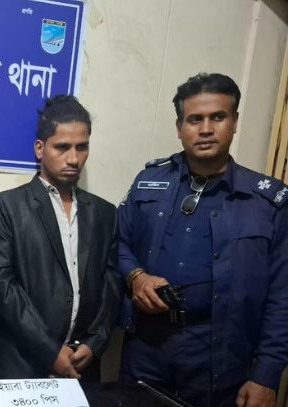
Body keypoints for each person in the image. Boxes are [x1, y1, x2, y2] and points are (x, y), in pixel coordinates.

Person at [118, 72, 288, 407]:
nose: (206, 129)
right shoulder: (149, 181)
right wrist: (136, 277)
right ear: (179, 127)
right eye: (195, 119)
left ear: (234, 122)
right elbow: (118, 243)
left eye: (218, 117)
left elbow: (283, 295)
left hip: (221, 356)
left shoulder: (268, 202)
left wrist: (266, 375)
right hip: (146, 347)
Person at [0, 95, 121, 381]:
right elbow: (1, 286)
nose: (73, 158)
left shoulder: (105, 213)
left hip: (82, 368)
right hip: (21, 366)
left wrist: (95, 343)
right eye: (62, 147)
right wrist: (50, 351)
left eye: (82, 147)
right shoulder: (6, 207)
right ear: (39, 149)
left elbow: (112, 286)